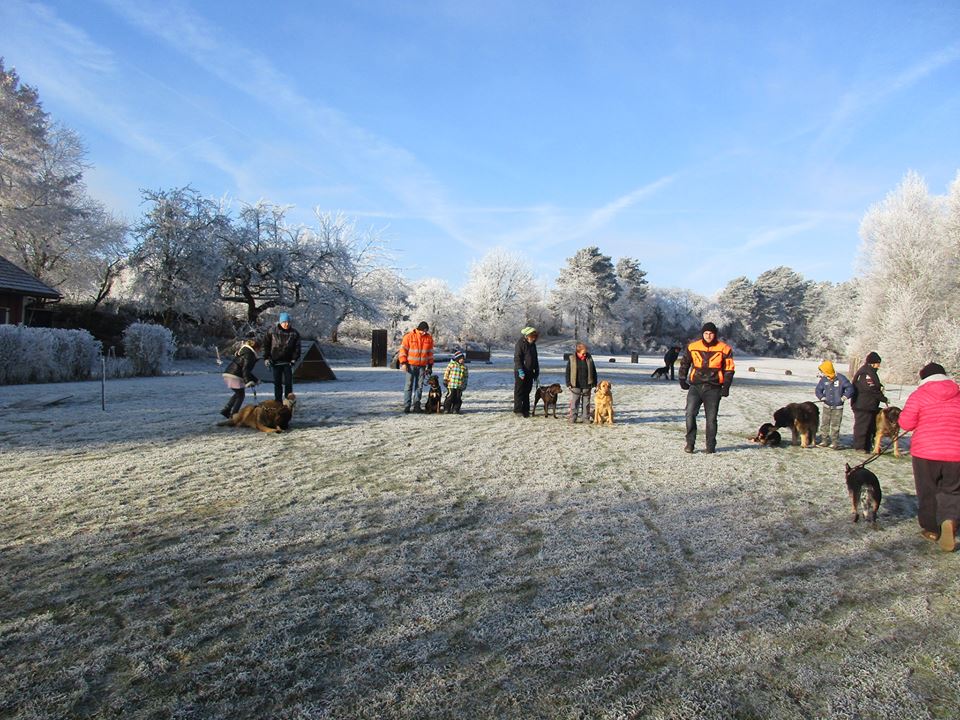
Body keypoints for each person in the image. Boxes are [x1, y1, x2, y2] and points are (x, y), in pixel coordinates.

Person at [897, 362, 960, 552]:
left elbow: (906, 423)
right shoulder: (958, 394)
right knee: (952, 490)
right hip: (956, 452)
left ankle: (932, 529)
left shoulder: (919, 395)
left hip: (926, 452)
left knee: (927, 490)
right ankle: (949, 519)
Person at [678, 322, 735, 454]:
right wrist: (682, 378)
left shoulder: (724, 348)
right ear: (702, 334)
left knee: (711, 418)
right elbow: (685, 363)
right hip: (695, 386)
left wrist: (726, 386)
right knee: (690, 414)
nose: (708, 336)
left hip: (714, 388)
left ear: (715, 334)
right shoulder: (693, 347)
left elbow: (729, 369)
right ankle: (690, 444)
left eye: (711, 333)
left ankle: (710, 446)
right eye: (706, 333)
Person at [851, 351, 888, 453]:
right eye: (878, 363)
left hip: (868, 404)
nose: (879, 366)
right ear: (872, 363)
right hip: (863, 404)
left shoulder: (869, 372)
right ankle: (859, 447)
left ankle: (866, 446)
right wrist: (883, 398)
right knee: (862, 426)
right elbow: (871, 389)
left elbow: (874, 386)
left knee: (868, 426)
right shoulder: (866, 373)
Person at [262, 311, 301, 402]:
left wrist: (294, 359)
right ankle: (278, 401)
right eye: (284, 322)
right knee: (277, 383)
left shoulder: (294, 333)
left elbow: (297, 348)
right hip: (275, 361)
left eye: (288, 322)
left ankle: (288, 401)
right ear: (280, 322)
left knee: (288, 383)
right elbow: (266, 345)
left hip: (288, 362)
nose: (286, 324)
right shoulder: (272, 331)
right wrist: (266, 358)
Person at [815, 359, 854, 449]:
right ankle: (824, 440)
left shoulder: (841, 378)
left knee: (835, 425)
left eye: (824, 372)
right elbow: (818, 390)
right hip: (827, 406)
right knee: (824, 424)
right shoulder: (824, 380)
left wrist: (844, 397)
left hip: (838, 407)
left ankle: (834, 442)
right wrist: (822, 397)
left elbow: (850, 388)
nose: (823, 374)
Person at [220, 337, 260, 418]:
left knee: (238, 393)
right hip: (234, 375)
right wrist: (247, 381)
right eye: (259, 349)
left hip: (229, 373)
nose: (260, 351)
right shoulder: (249, 354)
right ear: (256, 348)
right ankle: (234, 415)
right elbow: (246, 369)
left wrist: (255, 380)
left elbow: (248, 370)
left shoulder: (245, 352)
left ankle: (226, 410)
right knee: (241, 395)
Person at [399, 321, 434, 413]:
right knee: (408, 385)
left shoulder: (429, 338)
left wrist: (430, 366)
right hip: (410, 365)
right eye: (423, 330)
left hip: (422, 366)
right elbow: (403, 350)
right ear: (419, 329)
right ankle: (407, 406)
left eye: (426, 331)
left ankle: (417, 405)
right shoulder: (409, 336)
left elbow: (430, 353)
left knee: (419, 386)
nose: (425, 332)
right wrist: (403, 363)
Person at [565, 341, 597, 423]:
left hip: (587, 384)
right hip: (575, 384)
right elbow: (568, 371)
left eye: (585, 353)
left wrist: (594, 382)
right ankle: (573, 417)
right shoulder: (572, 358)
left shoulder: (589, 358)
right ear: (578, 352)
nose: (585, 354)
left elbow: (593, 370)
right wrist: (568, 383)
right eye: (583, 353)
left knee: (586, 403)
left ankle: (585, 418)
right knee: (575, 402)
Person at [513, 326, 540, 417]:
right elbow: (517, 358)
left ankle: (526, 409)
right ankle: (518, 410)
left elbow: (535, 359)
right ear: (527, 336)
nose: (534, 339)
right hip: (520, 371)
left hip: (530, 371)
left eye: (535, 337)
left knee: (527, 391)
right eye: (533, 337)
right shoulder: (520, 344)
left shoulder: (533, 345)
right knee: (519, 391)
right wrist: (520, 370)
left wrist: (536, 371)